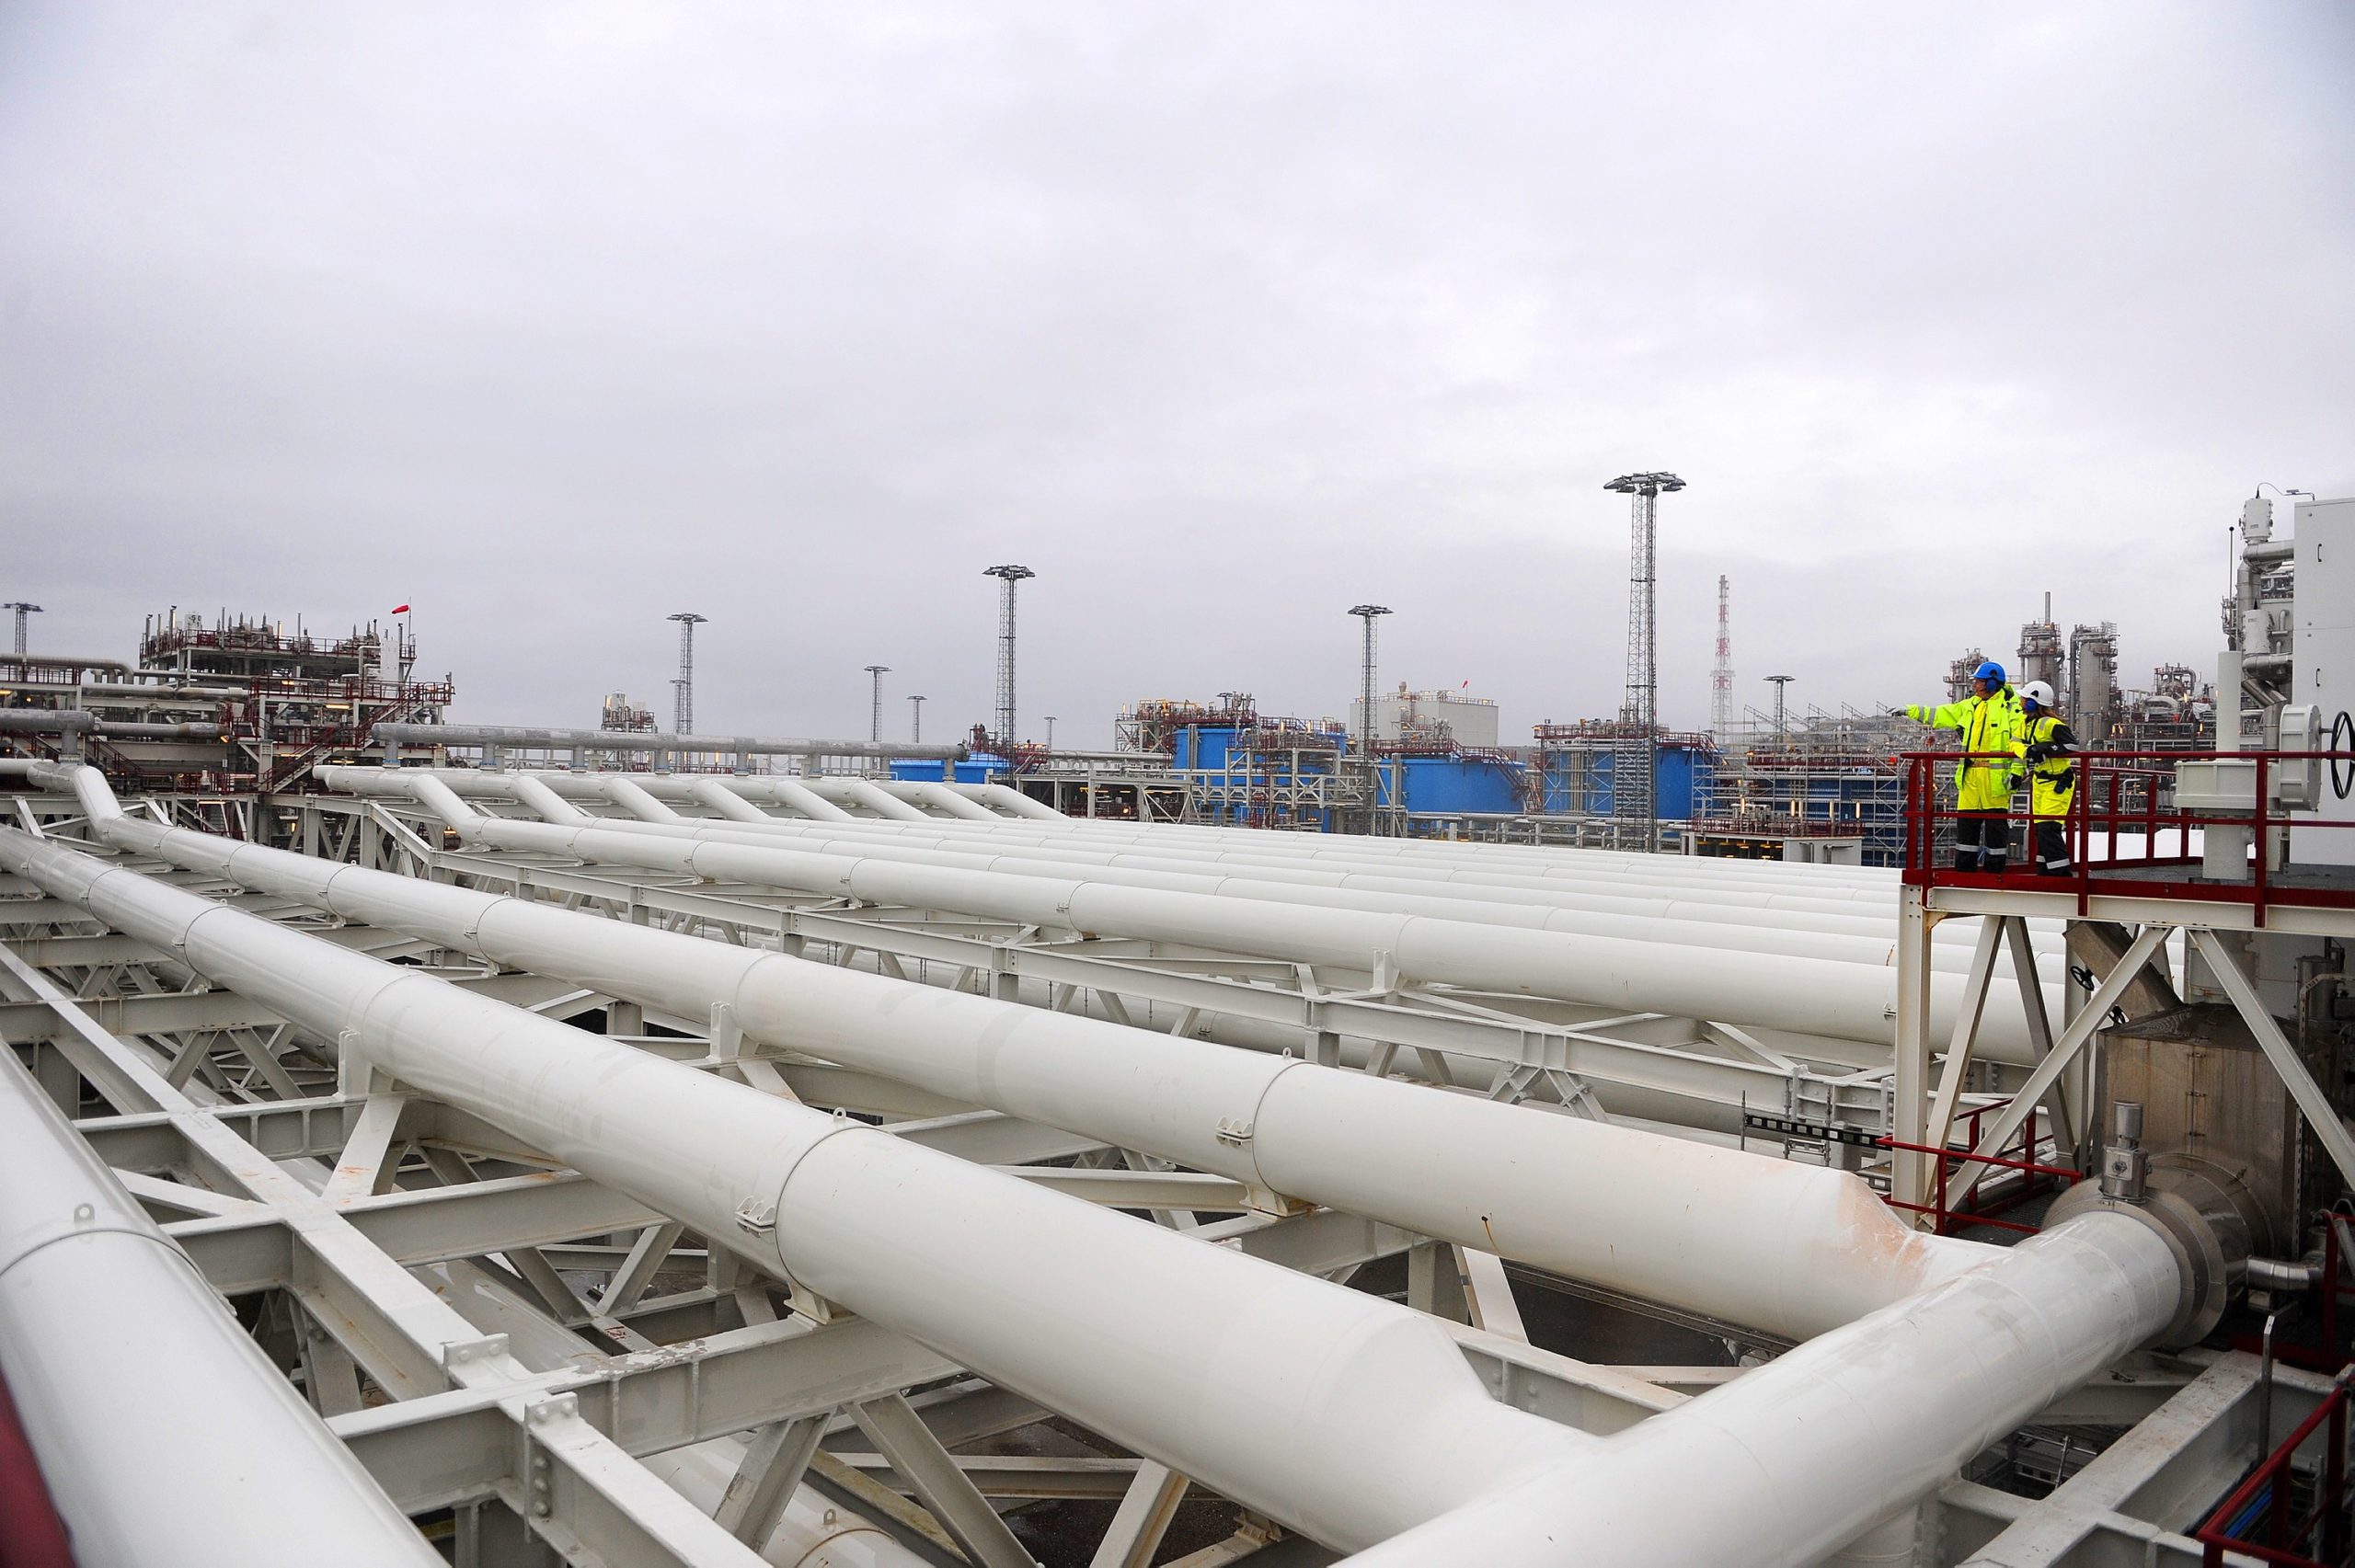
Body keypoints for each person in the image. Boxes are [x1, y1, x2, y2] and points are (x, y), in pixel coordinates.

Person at [1899, 660, 2024, 873]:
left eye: (1979, 682)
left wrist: (2016, 772)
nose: (1974, 686)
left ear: (1993, 684)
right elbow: (1938, 714)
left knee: (1996, 829)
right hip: (1969, 776)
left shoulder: (2012, 709)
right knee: (1966, 826)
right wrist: (1908, 711)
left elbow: (2020, 742)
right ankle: (1965, 871)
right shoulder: (1970, 706)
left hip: (1996, 780)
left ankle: (1995, 874)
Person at [2016, 680, 2076, 876]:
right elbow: (2013, 743)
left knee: (2049, 829)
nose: (2020, 703)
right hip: (2040, 781)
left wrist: (2048, 749)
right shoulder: (2025, 724)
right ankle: (2044, 870)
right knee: (2040, 829)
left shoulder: (2052, 724)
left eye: (2024, 699)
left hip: (2058, 781)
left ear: (2034, 702)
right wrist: (2028, 751)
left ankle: (2061, 875)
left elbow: (2072, 746)